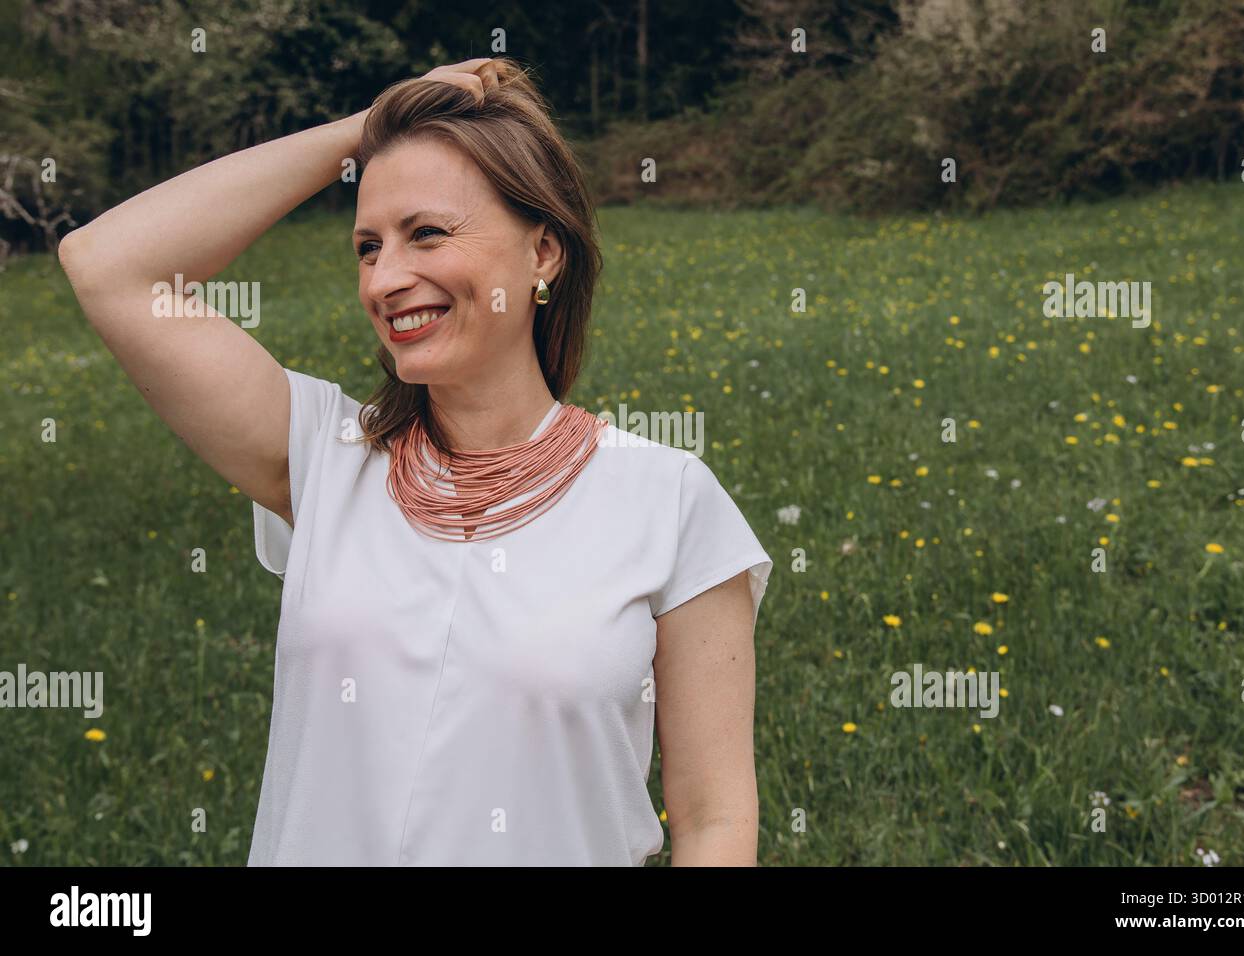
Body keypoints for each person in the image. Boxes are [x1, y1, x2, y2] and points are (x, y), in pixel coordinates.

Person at [57, 57, 772, 866]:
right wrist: (364, 131)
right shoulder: (327, 461)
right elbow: (109, 265)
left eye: (426, 233)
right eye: (368, 246)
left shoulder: (669, 503)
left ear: (543, 253)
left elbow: (715, 820)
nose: (387, 279)